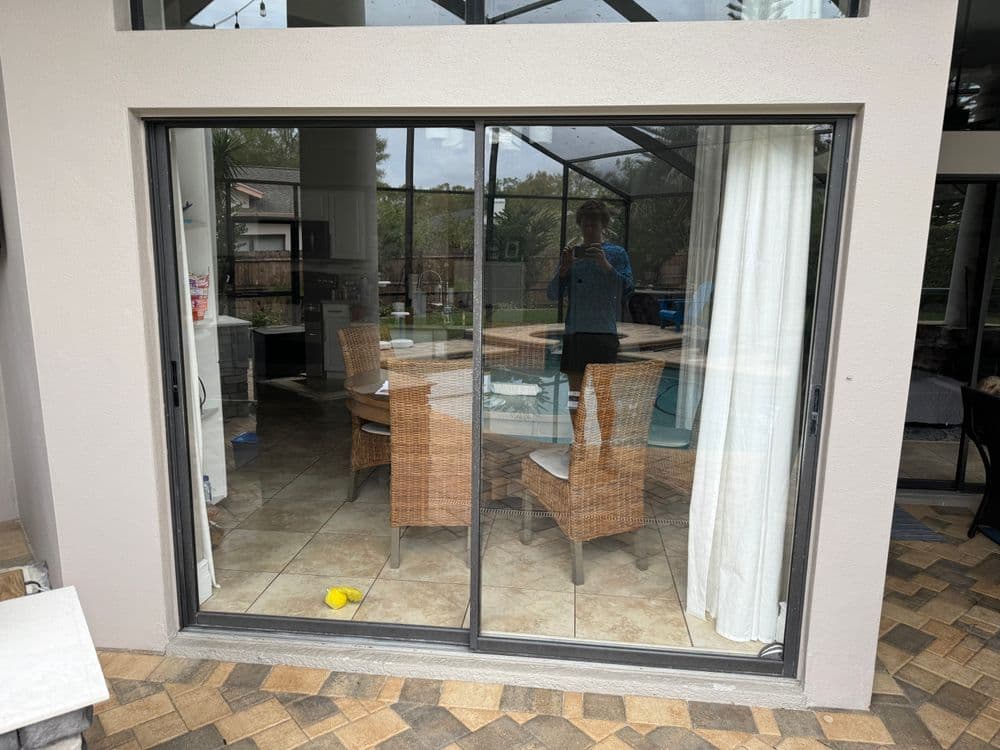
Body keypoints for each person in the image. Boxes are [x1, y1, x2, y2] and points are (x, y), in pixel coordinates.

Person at [547, 200, 634, 416]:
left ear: (602, 226)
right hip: (575, 334)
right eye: (585, 225)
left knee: (604, 395)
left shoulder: (616, 254)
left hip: (603, 334)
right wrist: (564, 269)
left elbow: (627, 290)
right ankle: (579, 444)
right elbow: (552, 294)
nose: (589, 230)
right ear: (580, 225)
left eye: (593, 226)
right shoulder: (573, 255)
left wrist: (606, 265)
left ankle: (605, 448)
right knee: (575, 396)